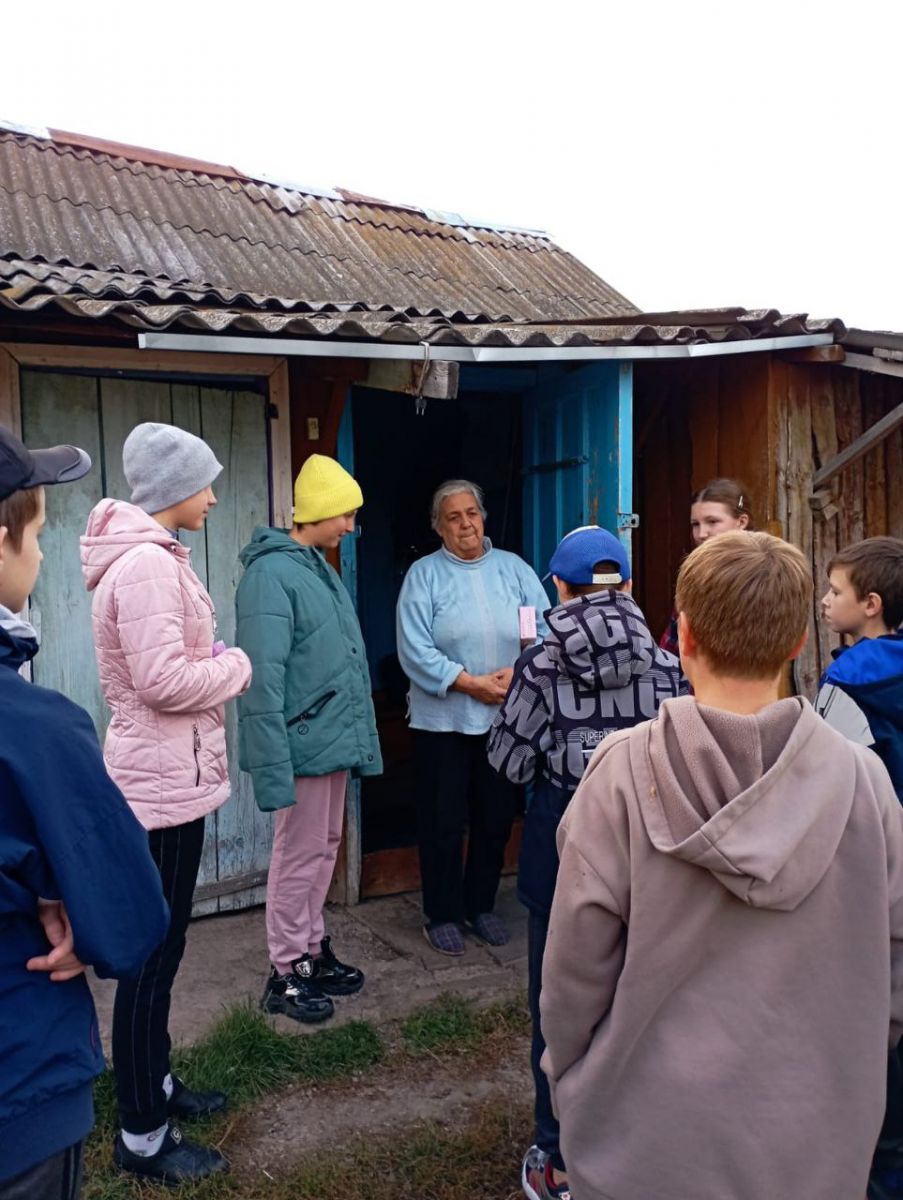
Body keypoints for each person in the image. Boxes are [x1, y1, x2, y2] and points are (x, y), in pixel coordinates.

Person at [540, 530, 903, 1200]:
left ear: (682, 636)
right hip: (816, 1142)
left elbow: (572, 971)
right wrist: (849, 1068)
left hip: (644, 1143)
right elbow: (893, 957)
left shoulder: (620, 774)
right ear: (798, 642)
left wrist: (567, 1079)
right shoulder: (865, 781)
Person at [488, 525, 685, 1200]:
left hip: (562, 848)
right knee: (638, 997)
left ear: (559, 588)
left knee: (558, 1002)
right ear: (625, 584)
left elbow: (508, 763)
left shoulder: (540, 665)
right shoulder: (668, 664)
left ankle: (559, 1157)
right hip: (645, 852)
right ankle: (634, 1143)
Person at [80, 423, 252, 1185]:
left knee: (164, 950)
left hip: (169, 778)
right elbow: (163, 682)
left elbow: (169, 666)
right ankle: (143, 1135)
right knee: (151, 959)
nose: (212, 497)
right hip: (161, 790)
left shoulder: (152, 557)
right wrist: (234, 665)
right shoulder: (147, 564)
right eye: (205, 483)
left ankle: (154, 1082)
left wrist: (203, 660)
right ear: (174, 488)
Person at [0, 425, 168, 1200]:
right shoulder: (34, 728)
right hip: (18, 1088)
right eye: (36, 533)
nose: (41, 555)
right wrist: (68, 902)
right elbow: (129, 922)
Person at [235, 454, 380, 1025]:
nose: (349, 526)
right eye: (345, 514)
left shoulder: (316, 567)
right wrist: (272, 763)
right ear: (319, 510)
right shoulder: (270, 575)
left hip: (329, 739)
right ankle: (286, 970)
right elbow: (262, 676)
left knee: (322, 849)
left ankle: (311, 953)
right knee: (298, 857)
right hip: (302, 742)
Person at [396, 479, 549, 955]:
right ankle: (442, 913)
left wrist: (519, 669)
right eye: (453, 517)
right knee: (442, 819)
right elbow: (413, 648)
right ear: (438, 527)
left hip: (504, 719)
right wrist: (468, 682)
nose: (465, 524)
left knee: (496, 816)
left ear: (483, 517)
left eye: (472, 513)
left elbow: (542, 630)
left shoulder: (514, 570)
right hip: (442, 722)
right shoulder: (424, 576)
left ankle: (481, 905)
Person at [815, 535, 903, 1199]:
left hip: (874, 864)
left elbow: (827, 783)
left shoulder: (847, 680)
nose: (824, 601)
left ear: (869, 604)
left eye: (835, 591)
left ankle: (874, 1164)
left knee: (872, 1015)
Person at [659, 477, 751, 656]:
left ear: (741, 522)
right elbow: (671, 648)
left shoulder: (763, 572)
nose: (701, 534)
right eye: (695, 524)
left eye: (712, 522)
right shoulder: (694, 575)